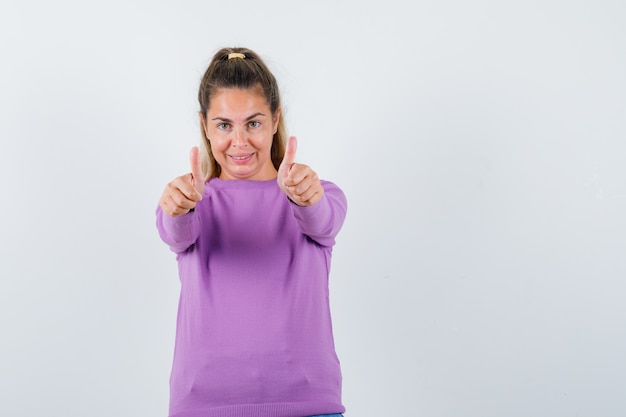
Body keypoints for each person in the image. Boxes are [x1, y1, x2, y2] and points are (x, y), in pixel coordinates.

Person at [156, 47, 348, 417]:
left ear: (276, 120)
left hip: (307, 406)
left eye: (254, 123)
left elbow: (321, 218)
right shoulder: (190, 200)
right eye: (224, 125)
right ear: (205, 126)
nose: (240, 142)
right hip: (204, 406)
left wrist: (307, 198)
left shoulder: (320, 195)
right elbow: (175, 231)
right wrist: (179, 206)